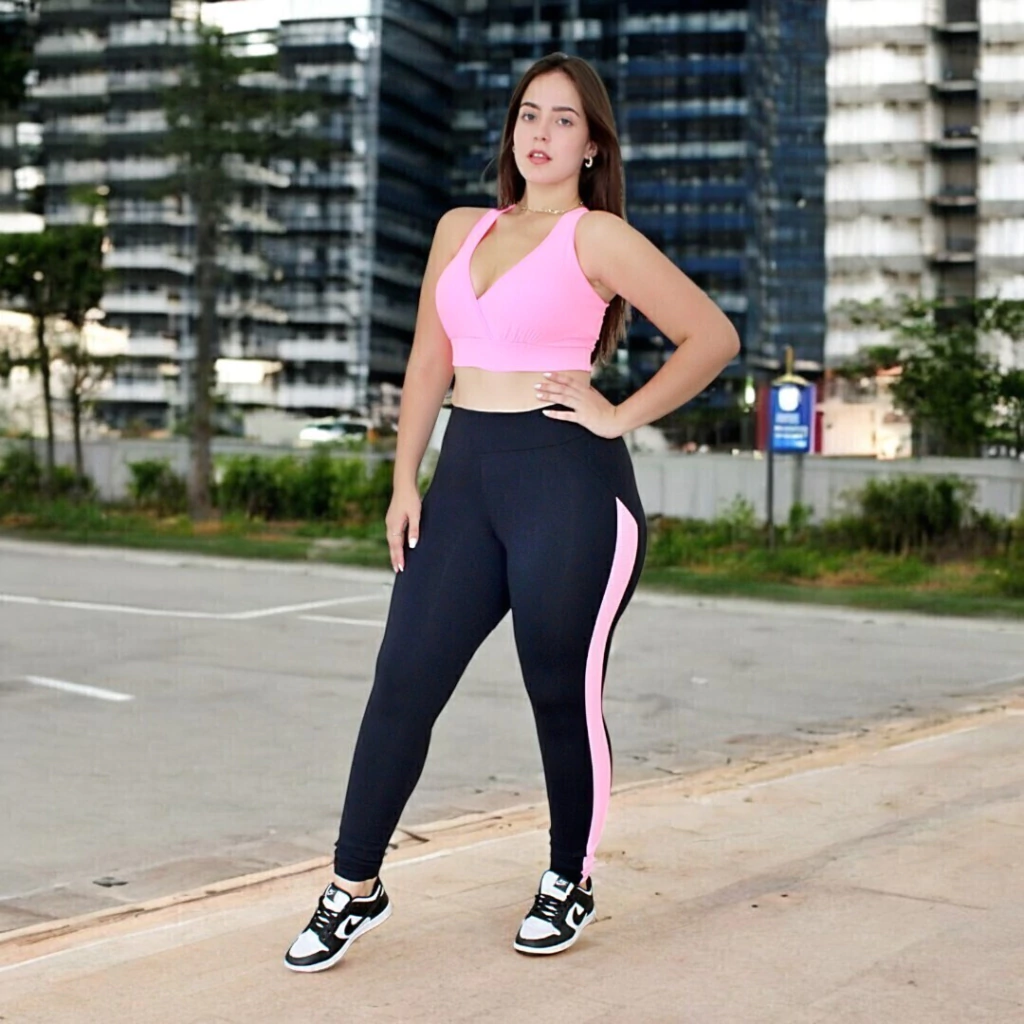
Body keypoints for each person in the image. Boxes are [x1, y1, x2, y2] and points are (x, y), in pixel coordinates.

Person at [285, 51, 740, 973]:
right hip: (464, 485)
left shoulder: (597, 238)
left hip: (570, 488)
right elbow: (429, 361)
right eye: (530, 113)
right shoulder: (461, 228)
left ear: (591, 145)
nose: (542, 132)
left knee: (558, 690)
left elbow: (713, 336)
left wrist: (618, 413)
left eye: (564, 119)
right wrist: (404, 480)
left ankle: (570, 877)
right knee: (403, 680)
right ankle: (354, 885)